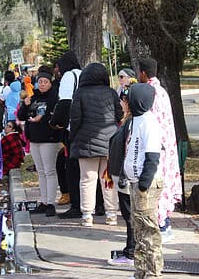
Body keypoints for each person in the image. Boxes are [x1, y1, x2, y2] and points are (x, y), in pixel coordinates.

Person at [69, 62, 122, 226]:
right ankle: (112, 213)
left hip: (86, 142)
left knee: (87, 179)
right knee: (108, 179)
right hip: (109, 143)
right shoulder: (111, 93)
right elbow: (119, 114)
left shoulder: (80, 93)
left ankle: (87, 215)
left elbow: (75, 118)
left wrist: (72, 137)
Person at [137, 57, 181, 242]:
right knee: (164, 181)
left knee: (155, 184)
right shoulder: (161, 91)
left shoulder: (148, 92)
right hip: (166, 144)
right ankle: (165, 223)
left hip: (156, 146)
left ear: (144, 73)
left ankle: (162, 225)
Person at [123, 83, 164, 278]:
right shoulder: (134, 121)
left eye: (128, 98)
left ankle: (153, 273)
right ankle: (141, 271)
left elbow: (152, 156)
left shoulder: (149, 122)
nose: (125, 102)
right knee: (139, 230)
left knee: (148, 232)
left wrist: (143, 184)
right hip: (134, 181)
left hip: (145, 185)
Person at [18, 71, 61, 217]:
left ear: (50, 83)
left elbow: (54, 114)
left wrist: (41, 118)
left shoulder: (54, 96)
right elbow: (21, 116)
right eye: (40, 81)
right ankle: (43, 201)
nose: (42, 84)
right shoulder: (33, 95)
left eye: (45, 82)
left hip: (49, 138)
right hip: (34, 138)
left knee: (49, 171)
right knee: (41, 171)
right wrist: (25, 105)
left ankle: (51, 203)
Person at [50, 51, 83, 219]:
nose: (57, 70)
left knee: (72, 168)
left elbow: (64, 103)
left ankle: (76, 204)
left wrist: (55, 123)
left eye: (58, 66)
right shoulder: (83, 74)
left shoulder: (69, 77)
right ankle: (96, 204)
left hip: (73, 129)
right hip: (88, 128)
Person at [108, 83, 137, 266]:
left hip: (128, 176)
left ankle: (132, 252)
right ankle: (131, 249)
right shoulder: (128, 121)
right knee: (128, 215)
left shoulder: (134, 123)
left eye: (124, 100)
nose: (121, 103)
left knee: (130, 215)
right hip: (122, 174)